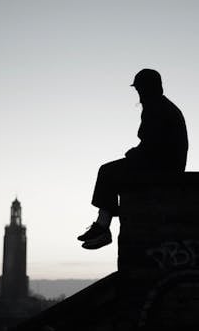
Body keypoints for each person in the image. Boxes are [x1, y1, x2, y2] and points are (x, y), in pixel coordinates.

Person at [77, 69, 188, 249]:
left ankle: (103, 227)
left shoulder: (156, 108)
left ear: (148, 88)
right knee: (111, 171)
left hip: (162, 166)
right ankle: (102, 225)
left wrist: (134, 154)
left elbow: (154, 145)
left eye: (140, 89)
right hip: (164, 163)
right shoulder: (161, 106)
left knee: (107, 171)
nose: (139, 94)